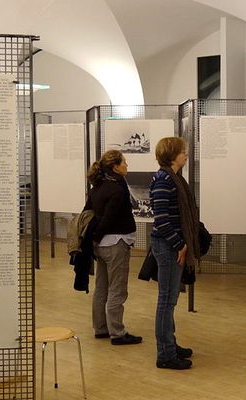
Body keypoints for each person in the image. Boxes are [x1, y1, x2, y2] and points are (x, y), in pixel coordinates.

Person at [149, 137, 200, 370]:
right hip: (168, 247)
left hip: (173, 246)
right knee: (166, 301)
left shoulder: (175, 178)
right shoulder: (164, 180)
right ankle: (165, 354)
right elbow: (161, 220)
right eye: (182, 151)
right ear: (172, 155)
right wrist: (179, 244)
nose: (186, 154)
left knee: (170, 300)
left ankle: (170, 345)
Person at [84, 150, 142, 345]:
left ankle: (101, 328)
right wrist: (97, 236)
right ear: (115, 167)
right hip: (116, 244)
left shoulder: (97, 186)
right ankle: (117, 332)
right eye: (124, 162)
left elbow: (88, 212)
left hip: (102, 246)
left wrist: (94, 240)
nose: (127, 165)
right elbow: (108, 219)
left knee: (102, 287)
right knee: (117, 289)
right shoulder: (116, 189)